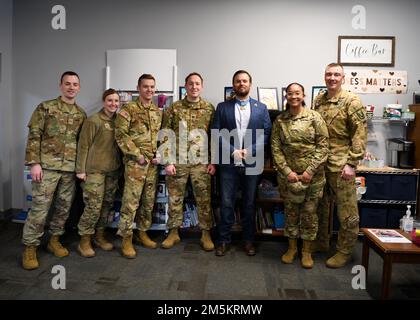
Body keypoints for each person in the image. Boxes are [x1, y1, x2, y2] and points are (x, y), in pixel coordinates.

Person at [22, 71, 87, 270]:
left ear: (79, 87)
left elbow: (82, 144)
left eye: (75, 84)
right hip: (47, 167)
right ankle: (30, 247)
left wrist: (80, 169)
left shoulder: (81, 114)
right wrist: (34, 163)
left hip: (69, 170)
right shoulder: (46, 107)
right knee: (40, 209)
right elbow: (34, 135)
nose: (71, 87)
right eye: (67, 83)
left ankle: (54, 240)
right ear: (61, 86)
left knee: (63, 208)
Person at [313, 63, 367, 268]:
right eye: (329, 74)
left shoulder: (351, 101)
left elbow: (360, 133)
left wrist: (352, 163)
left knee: (347, 211)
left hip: (342, 164)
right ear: (324, 77)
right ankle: (322, 241)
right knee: (321, 206)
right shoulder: (319, 100)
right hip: (321, 163)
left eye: (337, 74)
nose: (332, 78)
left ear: (343, 78)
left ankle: (345, 251)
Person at [212, 70, 272, 256]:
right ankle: (223, 240)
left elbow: (266, 133)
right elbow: (216, 132)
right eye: (238, 81)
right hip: (228, 163)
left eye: (244, 81)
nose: (241, 84)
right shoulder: (222, 107)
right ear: (234, 84)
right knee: (227, 202)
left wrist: (250, 151)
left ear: (250, 84)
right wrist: (233, 151)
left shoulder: (261, 108)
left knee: (249, 203)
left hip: (252, 162)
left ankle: (248, 241)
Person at [271, 83, 329, 268]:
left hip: (312, 178)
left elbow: (323, 146)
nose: (294, 96)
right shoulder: (280, 120)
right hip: (289, 178)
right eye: (290, 93)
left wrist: (309, 171)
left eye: (297, 93)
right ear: (286, 96)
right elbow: (276, 148)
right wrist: (287, 172)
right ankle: (292, 248)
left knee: (310, 214)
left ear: (303, 96)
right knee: (291, 214)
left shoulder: (314, 117)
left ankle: (306, 252)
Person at [161, 72, 216, 251]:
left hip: (201, 161)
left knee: (204, 199)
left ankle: (206, 234)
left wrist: (213, 162)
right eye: (190, 83)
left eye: (197, 83)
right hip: (178, 161)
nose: (194, 87)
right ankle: (173, 232)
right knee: (175, 198)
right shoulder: (174, 108)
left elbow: (214, 137)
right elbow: (165, 135)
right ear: (185, 86)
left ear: (202, 86)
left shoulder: (209, 108)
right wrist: (167, 162)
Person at [114, 74, 163, 258]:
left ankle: (142, 233)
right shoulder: (129, 109)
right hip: (136, 164)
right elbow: (120, 135)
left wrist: (160, 153)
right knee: (130, 202)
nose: (149, 90)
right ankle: (126, 238)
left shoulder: (157, 112)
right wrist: (137, 155)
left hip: (152, 165)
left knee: (148, 201)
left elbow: (161, 136)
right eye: (145, 87)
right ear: (138, 88)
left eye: (152, 87)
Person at [75, 88, 121, 257]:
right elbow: (83, 145)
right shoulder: (93, 120)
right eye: (110, 100)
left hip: (112, 171)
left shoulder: (120, 121)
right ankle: (84, 241)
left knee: (107, 205)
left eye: (116, 101)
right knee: (93, 207)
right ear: (104, 102)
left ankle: (99, 236)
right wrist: (80, 170)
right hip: (94, 171)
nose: (113, 104)